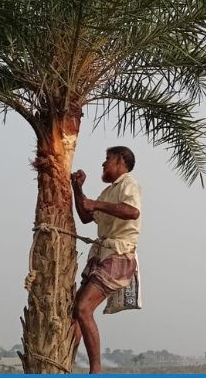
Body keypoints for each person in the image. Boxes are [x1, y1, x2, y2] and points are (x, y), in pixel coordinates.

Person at [69, 146, 142, 374]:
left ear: (121, 161)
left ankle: (96, 371)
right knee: (75, 312)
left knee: (83, 308)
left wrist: (96, 204)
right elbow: (84, 216)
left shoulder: (129, 184)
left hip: (118, 254)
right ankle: (65, 361)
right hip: (102, 254)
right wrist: (77, 188)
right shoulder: (108, 191)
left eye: (108, 159)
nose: (103, 163)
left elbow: (132, 212)